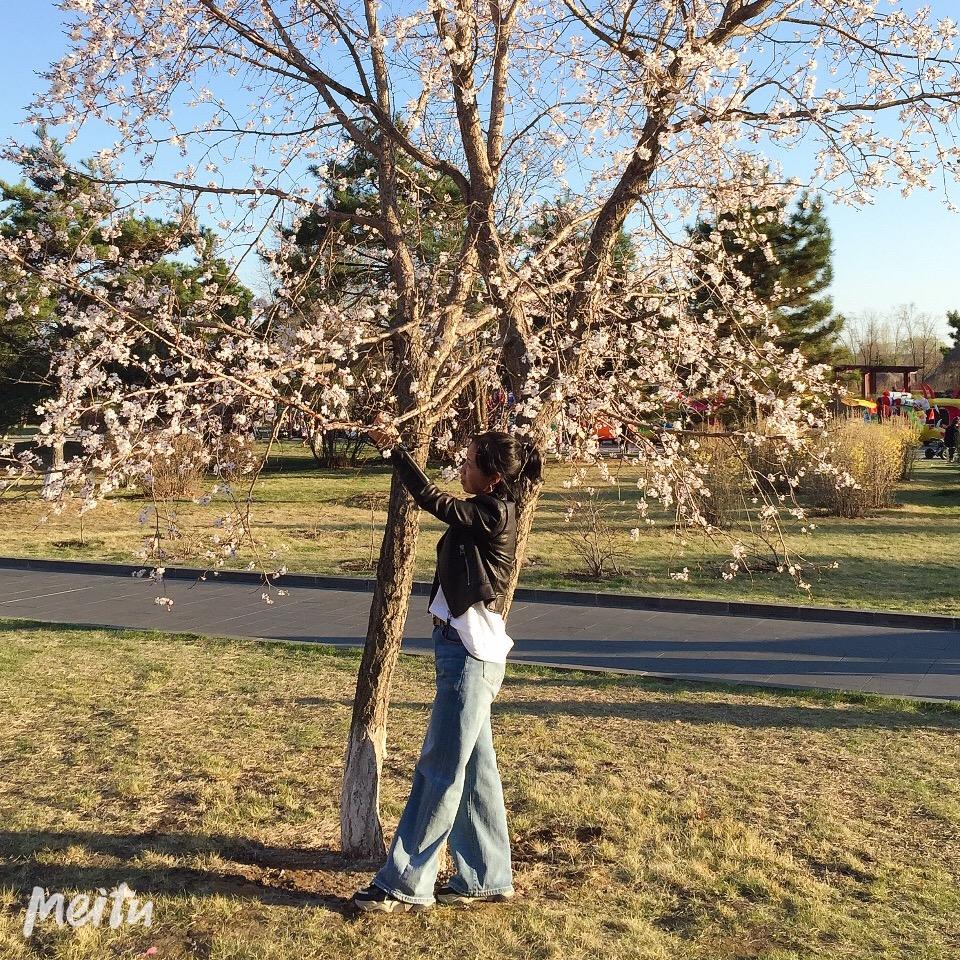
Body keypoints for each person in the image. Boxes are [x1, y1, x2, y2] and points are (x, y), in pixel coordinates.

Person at [352, 422, 543, 914]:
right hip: (464, 655)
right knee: (476, 770)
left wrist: (397, 452)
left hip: (470, 659)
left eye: (471, 461)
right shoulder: (492, 508)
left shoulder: (492, 512)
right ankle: (487, 876)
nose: (462, 466)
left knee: (440, 768)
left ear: (493, 476)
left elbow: (434, 501)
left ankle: (404, 882)